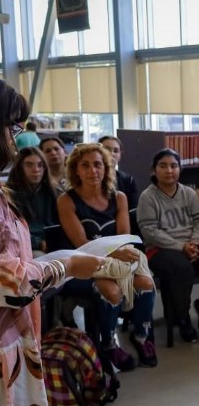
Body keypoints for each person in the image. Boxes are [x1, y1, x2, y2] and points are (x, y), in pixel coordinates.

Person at [0, 79, 104, 406]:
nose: (18, 137)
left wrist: (79, 260)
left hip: (17, 344)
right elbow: (13, 283)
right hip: (3, 352)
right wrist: (71, 265)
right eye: (12, 125)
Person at [57, 143, 158, 369]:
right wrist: (116, 253)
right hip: (84, 263)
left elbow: (124, 235)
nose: (93, 171)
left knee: (146, 283)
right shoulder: (66, 200)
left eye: (98, 165)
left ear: (106, 168)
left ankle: (141, 335)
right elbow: (82, 244)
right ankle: (109, 343)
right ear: (76, 170)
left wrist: (118, 253)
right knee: (111, 291)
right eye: (86, 166)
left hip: (117, 258)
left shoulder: (119, 197)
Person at [137, 148, 199, 343]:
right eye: (163, 166)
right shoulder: (148, 197)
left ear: (180, 169)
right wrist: (181, 247)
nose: (169, 170)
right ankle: (183, 317)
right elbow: (150, 232)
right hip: (160, 249)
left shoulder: (188, 193)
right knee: (182, 269)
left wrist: (195, 243)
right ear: (154, 170)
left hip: (191, 244)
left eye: (174, 166)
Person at [4, 146, 58, 257]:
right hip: (27, 247)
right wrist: (38, 243)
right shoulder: (8, 194)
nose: (36, 169)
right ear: (19, 167)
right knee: (41, 257)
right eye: (29, 165)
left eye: (40, 165)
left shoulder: (54, 191)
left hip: (55, 244)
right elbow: (10, 230)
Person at [100, 135, 140, 209]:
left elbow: (134, 210)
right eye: (107, 150)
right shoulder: (92, 177)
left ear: (120, 155)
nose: (112, 154)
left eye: (116, 151)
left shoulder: (128, 180)